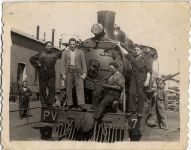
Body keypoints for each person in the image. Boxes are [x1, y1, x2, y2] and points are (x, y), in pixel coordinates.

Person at [117, 42, 151, 116]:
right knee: (131, 93)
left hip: (142, 78)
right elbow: (126, 53)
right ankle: (131, 110)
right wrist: (119, 45)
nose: (136, 51)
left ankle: (140, 111)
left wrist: (147, 80)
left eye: (138, 50)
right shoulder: (133, 57)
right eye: (135, 50)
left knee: (140, 94)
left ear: (141, 51)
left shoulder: (145, 59)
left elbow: (148, 71)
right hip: (133, 78)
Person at [30, 41, 62, 107]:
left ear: (52, 47)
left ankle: (50, 102)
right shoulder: (41, 54)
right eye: (48, 46)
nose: (49, 47)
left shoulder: (54, 54)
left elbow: (61, 52)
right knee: (43, 88)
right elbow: (31, 59)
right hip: (43, 73)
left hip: (51, 74)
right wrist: (37, 64)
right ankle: (44, 103)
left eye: (51, 46)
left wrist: (65, 49)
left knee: (52, 88)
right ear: (45, 47)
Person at [61, 38, 87, 110]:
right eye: (71, 44)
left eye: (73, 44)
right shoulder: (65, 52)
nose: (72, 46)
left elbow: (83, 63)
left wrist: (84, 73)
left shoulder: (80, 52)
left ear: (75, 44)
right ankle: (69, 104)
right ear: (69, 45)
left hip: (78, 72)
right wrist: (63, 73)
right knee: (68, 88)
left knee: (80, 87)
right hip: (69, 71)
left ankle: (81, 104)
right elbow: (62, 63)